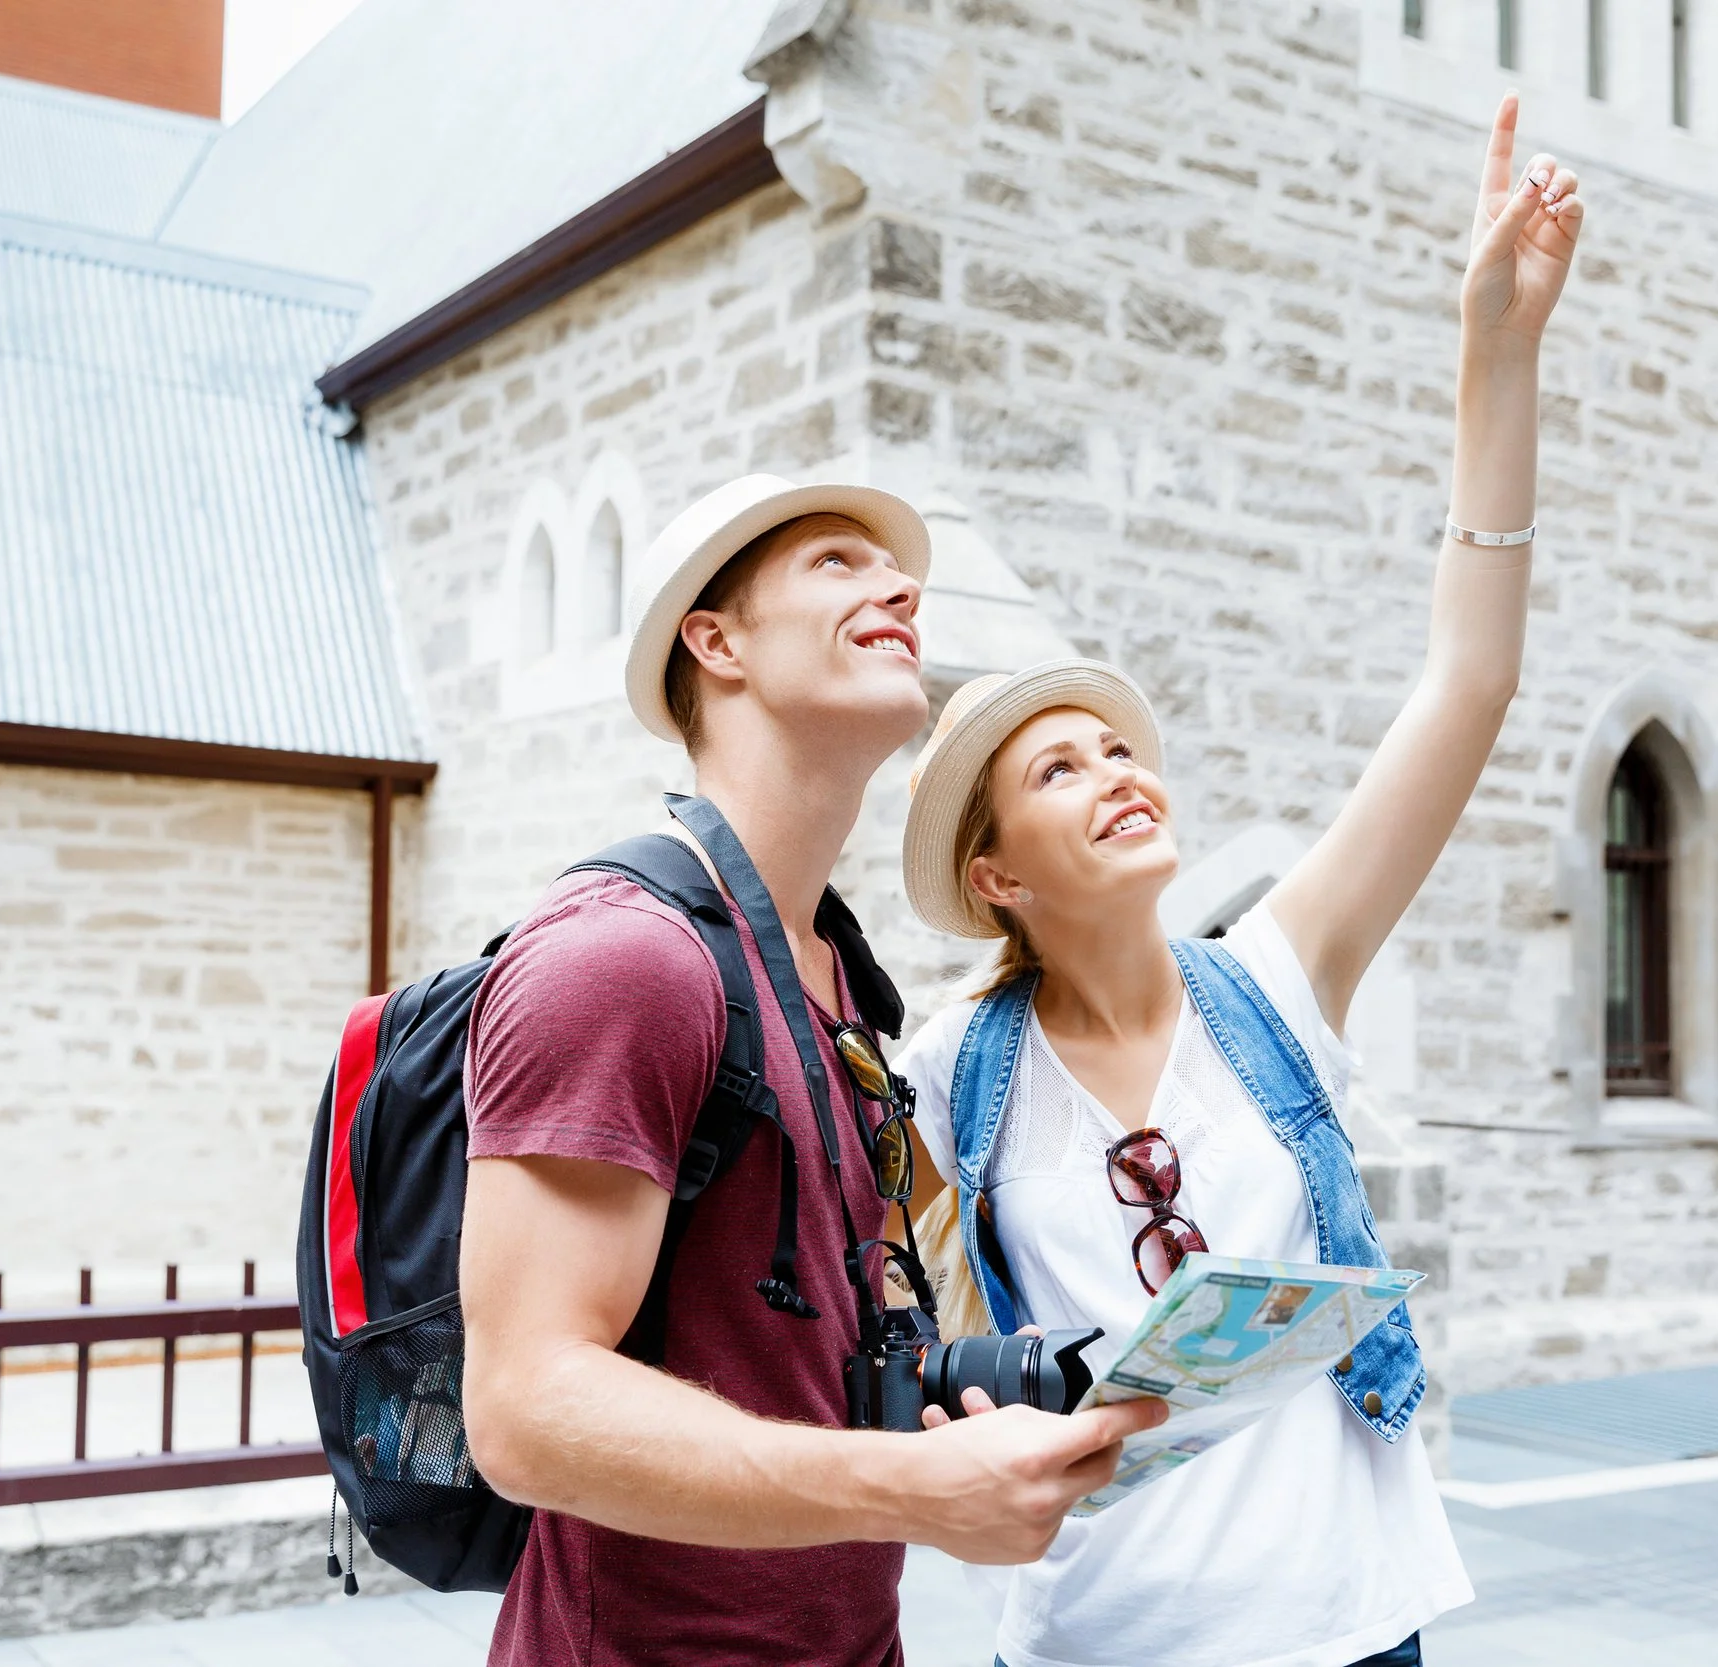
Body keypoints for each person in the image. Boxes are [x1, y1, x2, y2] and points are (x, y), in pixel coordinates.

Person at [892, 96, 1585, 1667]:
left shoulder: (1278, 978)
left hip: (1349, 1626)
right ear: (993, 872)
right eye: (1058, 768)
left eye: (1118, 745)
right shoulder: (949, 1078)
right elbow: (884, 1335)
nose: (1117, 770)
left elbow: (1468, 679)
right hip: (1090, 1639)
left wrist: (1499, 355)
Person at [457, 474, 1170, 1667]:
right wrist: (904, 1485)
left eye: (901, 576)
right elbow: (524, 1409)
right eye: (836, 562)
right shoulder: (621, 956)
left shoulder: (833, 974)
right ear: (715, 640)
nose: (900, 584)